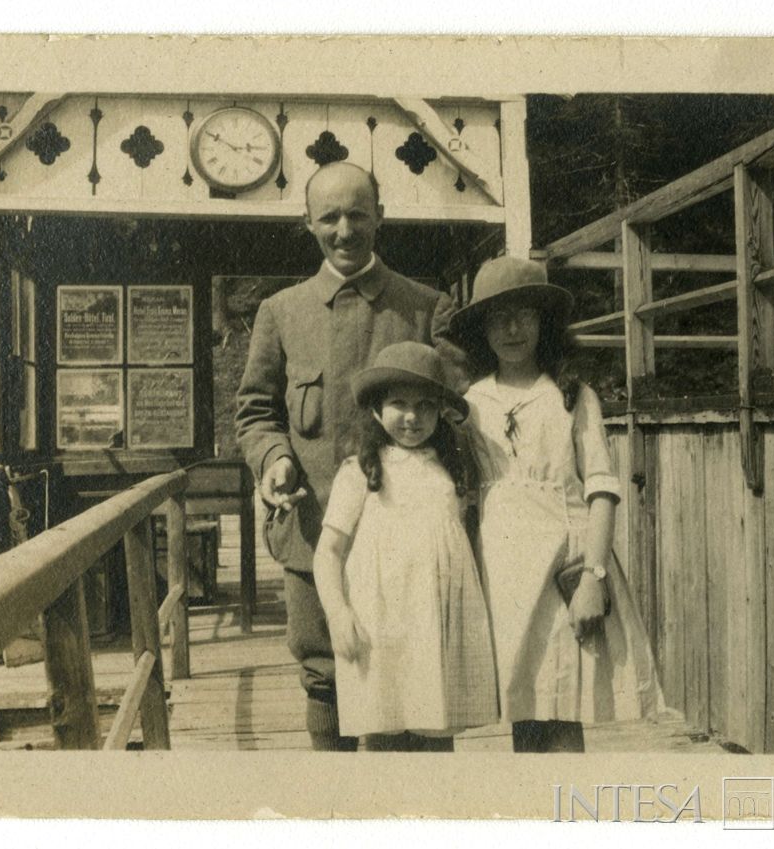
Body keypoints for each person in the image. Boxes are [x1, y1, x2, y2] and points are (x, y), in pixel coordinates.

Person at [235, 161, 460, 751]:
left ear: (380, 216)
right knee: (324, 674)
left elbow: (458, 413)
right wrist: (274, 458)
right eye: (329, 216)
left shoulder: (424, 306)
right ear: (307, 222)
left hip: (408, 545)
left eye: (358, 214)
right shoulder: (280, 312)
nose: (344, 229)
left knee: (416, 681)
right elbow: (255, 413)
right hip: (315, 533)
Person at [448, 256, 662, 753]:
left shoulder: (572, 396)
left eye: (524, 313)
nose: (512, 328)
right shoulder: (471, 403)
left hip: (566, 566)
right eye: (498, 317)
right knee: (525, 709)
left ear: (544, 322)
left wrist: (594, 576)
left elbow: (603, 489)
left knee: (566, 706)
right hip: (504, 574)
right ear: (482, 328)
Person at [313, 342, 498, 751]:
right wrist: (338, 612)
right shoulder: (360, 471)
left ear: (439, 411)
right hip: (382, 627)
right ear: (377, 411)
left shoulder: (450, 468)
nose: (412, 417)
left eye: (425, 406)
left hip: (436, 627)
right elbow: (328, 552)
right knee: (385, 734)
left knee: (435, 733)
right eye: (399, 403)